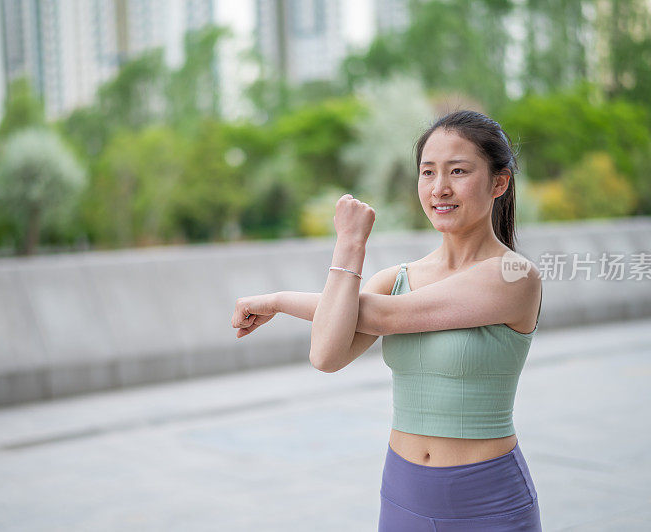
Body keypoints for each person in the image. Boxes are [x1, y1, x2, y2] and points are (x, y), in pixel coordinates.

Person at [231, 109, 543, 531]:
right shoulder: (397, 279)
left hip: (485, 499)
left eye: (458, 171)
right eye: (428, 172)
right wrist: (283, 296)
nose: (440, 188)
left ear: (499, 182)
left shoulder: (513, 276)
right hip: (403, 493)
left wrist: (349, 245)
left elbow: (387, 315)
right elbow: (326, 354)